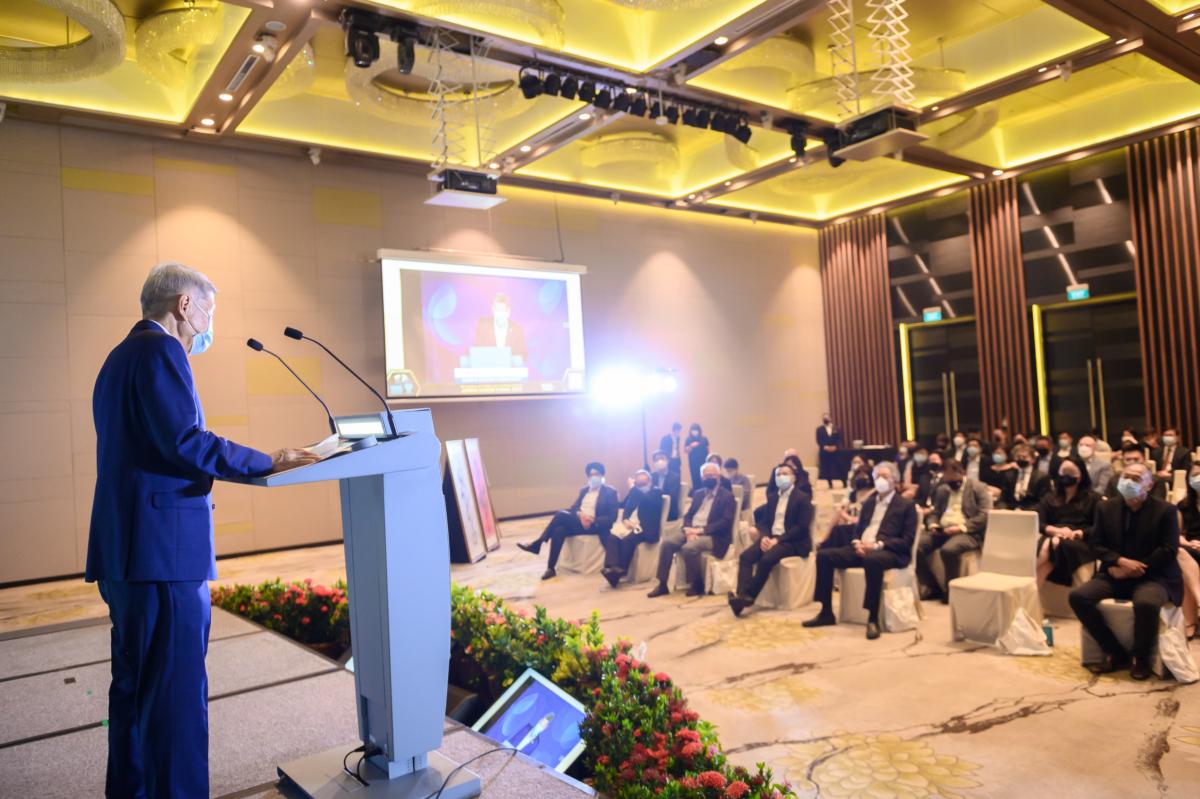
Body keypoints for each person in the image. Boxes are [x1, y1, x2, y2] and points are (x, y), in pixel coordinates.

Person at [87, 263, 319, 799]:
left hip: (126, 551)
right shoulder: (161, 352)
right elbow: (185, 441)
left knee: (134, 692)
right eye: (208, 311)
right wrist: (266, 460)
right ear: (184, 306)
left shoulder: (118, 357)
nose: (210, 324)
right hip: (163, 554)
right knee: (175, 700)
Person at [1069, 463, 1182, 680]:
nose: (1128, 482)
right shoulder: (1105, 508)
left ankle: (1140, 658)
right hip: (1115, 571)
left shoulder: (1166, 510)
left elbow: (1169, 550)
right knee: (1078, 597)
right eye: (1125, 477)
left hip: (1154, 575)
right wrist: (1119, 561)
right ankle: (1114, 651)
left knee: (1146, 603)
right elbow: (1096, 544)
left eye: (1136, 478)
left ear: (1149, 485)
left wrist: (1135, 568)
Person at [804, 462, 917, 640]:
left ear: (894, 480)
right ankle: (826, 611)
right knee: (824, 556)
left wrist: (877, 545)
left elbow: (906, 540)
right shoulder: (869, 503)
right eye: (877, 476)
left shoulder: (905, 505)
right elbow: (857, 529)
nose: (879, 480)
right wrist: (857, 542)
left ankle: (872, 617)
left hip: (889, 551)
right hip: (862, 547)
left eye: (884, 477)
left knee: (873, 560)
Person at [729, 463, 814, 616]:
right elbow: (765, 522)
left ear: (793, 478)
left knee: (766, 559)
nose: (781, 477)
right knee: (745, 556)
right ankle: (742, 596)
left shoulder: (802, 498)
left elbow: (801, 527)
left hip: (792, 541)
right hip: (772, 538)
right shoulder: (773, 498)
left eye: (785, 474)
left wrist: (778, 540)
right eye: (778, 475)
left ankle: (749, 595)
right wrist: (764, 536)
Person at [518, 462, 619, 579]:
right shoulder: (584, 490)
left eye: (596, 474)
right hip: (580, 521)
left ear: (602, 475)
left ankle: (538, 543)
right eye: (591, 475)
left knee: (560, 514)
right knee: (558, 530)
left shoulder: (610, 492)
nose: (593, 477)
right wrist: (580, 515)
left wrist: (592, 520)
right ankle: (550, 568)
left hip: (595, 525)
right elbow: (574, 507)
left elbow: (613, 516)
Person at [647, 462, 735, 598]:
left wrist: (701, 531)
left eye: (711, 475)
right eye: (706, 476)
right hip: (691, 530)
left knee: (688, 548)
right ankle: (662, 584)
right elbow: (688, 515)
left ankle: (696, 583)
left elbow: (725, 522)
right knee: (667, 543)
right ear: (702, 478)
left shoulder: (727, 496)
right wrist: (688, 529)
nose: (708, 478)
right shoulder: (698, 494)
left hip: (714, 535)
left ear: (718, 477)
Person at [917, 461, 991, 602]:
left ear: (961, 472)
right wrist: (933, 524)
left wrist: (961, 527)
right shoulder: (942, 490)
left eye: (952, 477)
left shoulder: (977, 487)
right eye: (946, 477)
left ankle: (951, 590)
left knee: (949, 550)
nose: (950, 480)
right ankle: (931, 586)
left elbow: (984, 515)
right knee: (916, 546)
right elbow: (935, 512)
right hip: (943, 529)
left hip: (967, 532)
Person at [1035, 456, 1099, 588]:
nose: (1066, 476)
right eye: (1064, 472)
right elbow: (1038, 522)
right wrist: (1056, 531)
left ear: (1080, 476)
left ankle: (1023, 576)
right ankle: (1029, 594)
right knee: (1051, 545)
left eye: (1071, 472)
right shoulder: (1050, 497)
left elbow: (1098, 527)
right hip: (1053, 535)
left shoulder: (1093, 498)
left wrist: (1078, 533)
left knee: (1053, 545)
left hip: (1080, 540)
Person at [601, 470, 665, 588]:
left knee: (627, 540)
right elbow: (627, 508)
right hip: (631, 525)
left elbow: (647, 500)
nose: (640, 486)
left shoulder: (656, 492)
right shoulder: (635, 493)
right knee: (612, 538)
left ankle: (621, 570)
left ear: (649, 481)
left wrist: (633, 489)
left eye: (642, 483)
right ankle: (612, 568)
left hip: (646, 527)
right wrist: (625, 520)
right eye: (638, 484)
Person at [1177, 462, 1200, 639]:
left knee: (1184, 571)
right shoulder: (1183, 505)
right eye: (1195, 474)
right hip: (1190, 549)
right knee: (1179, 553)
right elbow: (1176, 534)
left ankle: (1190, 622)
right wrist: (1188, 543)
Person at [474, 293, 528, 362]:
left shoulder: (517, 330)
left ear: (508, 312)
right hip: (488, 367)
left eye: (503, 310)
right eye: (497, 310)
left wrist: (510, 360)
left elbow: (523, 356)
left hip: (510, 368)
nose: (500, 314)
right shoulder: (483, 327)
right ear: (493, 310)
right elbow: (477, 353)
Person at [1007, 443, 1049, 510]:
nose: (1021, 459)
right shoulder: (1009, 475)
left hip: (1032, 510)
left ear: (1033, 460)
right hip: (1011, 511)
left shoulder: (1041, 477)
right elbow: (1003, 498)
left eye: (1024, 457)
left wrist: (1027, 511)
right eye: (1018, 457)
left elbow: (1043, 501)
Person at [649, 450, 681, 521]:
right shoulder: (652, 476)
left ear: (667, 460)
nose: (659, 461)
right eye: (657, 459)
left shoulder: (675, 477)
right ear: (654, 463)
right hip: (654, 508)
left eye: (662, 458)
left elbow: (671, 495)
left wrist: (655, 494)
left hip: (669, 509)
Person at [817, 412, 842, 486]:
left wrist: (835, 447)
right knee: (825, 469)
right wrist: (824, 447)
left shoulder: (837, 428)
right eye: (824, 418)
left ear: (830, 418)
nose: (825, 419)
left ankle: (836, 484)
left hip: (835, 453)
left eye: (827, 417)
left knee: (835, 468)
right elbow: (818, 440)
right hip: (824, 453)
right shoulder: (819, 429)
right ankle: (826, 484)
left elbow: (839, 439)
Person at [684, 423, 709, 488]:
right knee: (694, 477)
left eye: (696, 430)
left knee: (703, 477)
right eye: (693, 430)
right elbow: (686, 450)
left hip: (703, 461)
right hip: (693, 462)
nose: (694, 432)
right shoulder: (688, 439)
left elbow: (707, 449)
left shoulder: (704, 438)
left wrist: (708, 460)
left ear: (699, 430)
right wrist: (691, 446)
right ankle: (696, 490)